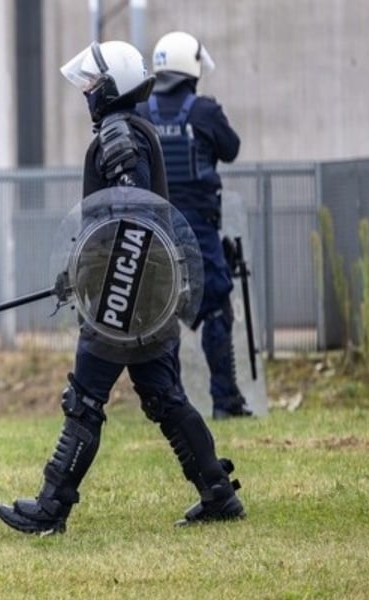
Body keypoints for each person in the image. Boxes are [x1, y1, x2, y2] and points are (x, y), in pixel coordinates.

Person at [0, 42, 245, 536]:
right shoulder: (134, 128)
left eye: (92, 82)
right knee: (164, 396)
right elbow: (120, 220)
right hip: (144, 293)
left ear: (111, 86)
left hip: (124, 294)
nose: (86, 90)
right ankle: (218, 492)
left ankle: (51, 507)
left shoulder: (117, 134)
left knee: (85, 399)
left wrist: (100, 282)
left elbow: (130, 222)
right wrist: (79, 271)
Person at [136, 31, 250, 419]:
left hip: (155, 231)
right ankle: (226, 402)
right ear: (192, 67)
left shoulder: (141, 111)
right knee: (215, 309)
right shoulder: (204, 111)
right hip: (198, 230)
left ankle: (172, 402)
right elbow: (231, 149)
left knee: (162, 314)